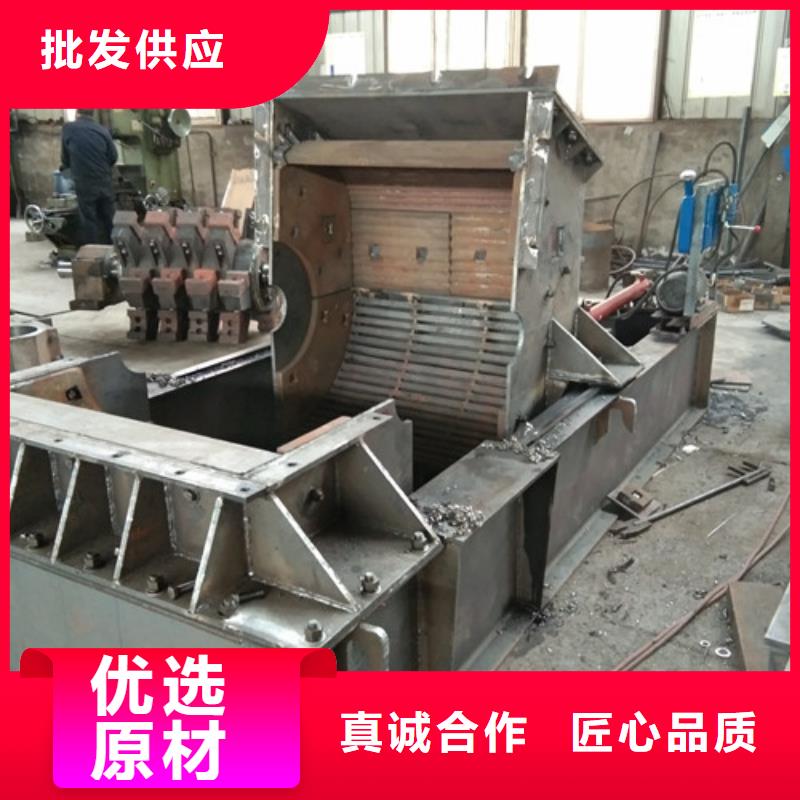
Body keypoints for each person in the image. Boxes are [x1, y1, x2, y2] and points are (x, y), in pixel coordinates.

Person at [60, 109, 117, 245]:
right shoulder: (103, 130)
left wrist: (69, 170)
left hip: (84, 183)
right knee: (110, 218)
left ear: (77, 113)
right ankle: (116, 248)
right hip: (104, 181)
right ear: (93, 114)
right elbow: (113, 157)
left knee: (89, 219)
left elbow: (65, 159)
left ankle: (93, 251)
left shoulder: (68, 129)